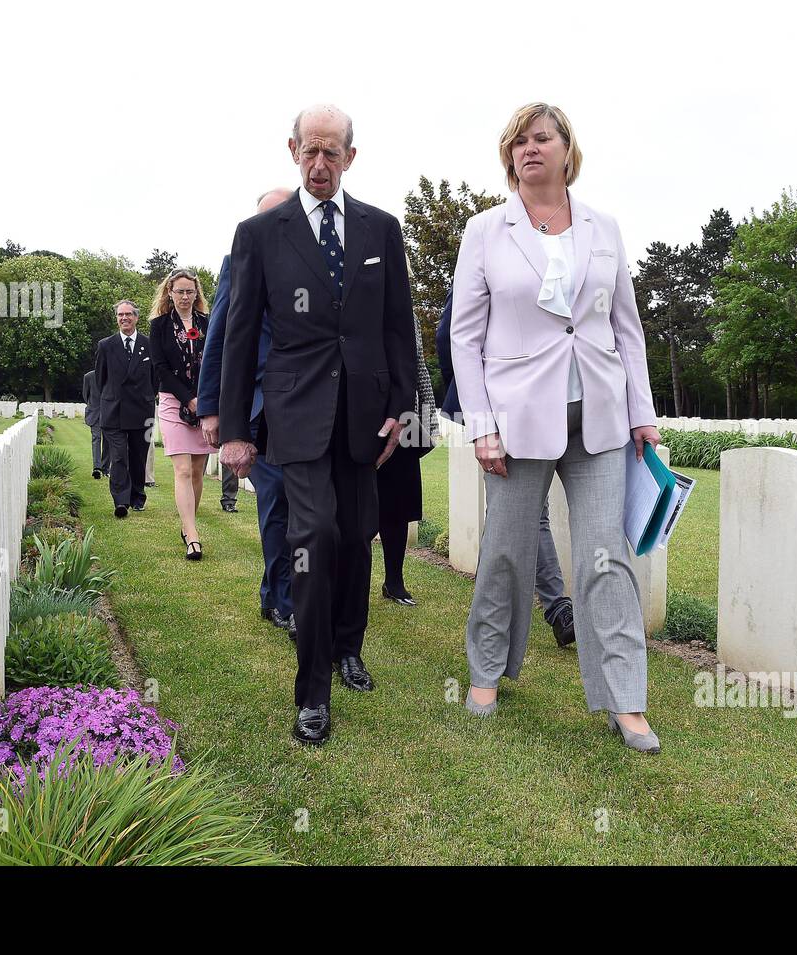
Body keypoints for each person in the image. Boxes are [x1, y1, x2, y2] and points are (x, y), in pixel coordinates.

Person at [450, 102, 662, 753]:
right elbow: (466, 335)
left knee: (607, 556)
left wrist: (643, 412)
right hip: (516, 421)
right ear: (509, 156)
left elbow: (625, 325)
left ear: (568, 149)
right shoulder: (486, 230)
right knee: (507, 551)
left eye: (543, 137)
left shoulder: (605, 228)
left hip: (598, 418)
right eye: (519, 140)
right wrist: (481, 423)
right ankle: (486, 671)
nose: (530, 147)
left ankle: (625, 699)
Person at [219, 105, 417, 746]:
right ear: (293, 150)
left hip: (365, 416)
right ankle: (311, 691)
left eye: (333, 153)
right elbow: (240, 334)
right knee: (314, 535)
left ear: (351, 157)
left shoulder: (380, 230)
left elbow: (395, 328)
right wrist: (233, 430)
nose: (321, 163)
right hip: (295, 415)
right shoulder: (260, 234)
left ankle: (347, 645)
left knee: (358, 535)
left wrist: (402, 411)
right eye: (311, 151)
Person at [436, 286, 576, 646]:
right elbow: (451, 335)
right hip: (496, 408)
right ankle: (547, 607)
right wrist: (473, 398)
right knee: (515, 512)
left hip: (538, 405)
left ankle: (553, 606)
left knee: (528, 512)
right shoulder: (485, 263)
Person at [199, 187, 297, 639]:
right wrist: (214, 407)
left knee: (308, 509)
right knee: (276, 503)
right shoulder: (238, 262)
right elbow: (220, 332)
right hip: (259, 406)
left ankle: (278, 592)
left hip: (309, 406)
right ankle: (282, 599)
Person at [375, 268, 439, 606]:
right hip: (365, 417)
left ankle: (394, 581)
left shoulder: (408, 313)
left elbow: (418, 367)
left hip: (405, 417)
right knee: (358, 506)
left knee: (397, 507)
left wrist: (427, 420)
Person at [149, 268, 212, 561]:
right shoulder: (159, 326)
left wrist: (205, 400)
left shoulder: (208, 323)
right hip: (173, 401)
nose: (185, 296)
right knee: (183, 469)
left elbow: (216, 361)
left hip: (206, 402)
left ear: (196, 293)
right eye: (180, 291)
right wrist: (188, 399)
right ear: (169, 293)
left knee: (198, 470)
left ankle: (188, 526)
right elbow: (160, 368)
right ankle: (193, 537)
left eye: (190, 291)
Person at [94, 299, 156, 518]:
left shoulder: (149, 345)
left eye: (128, 314)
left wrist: (148, 396)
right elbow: (101, 380)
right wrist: (112, 397)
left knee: (139, 457)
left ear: (136, 317)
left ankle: (137, 496)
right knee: (119, 457)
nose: (124, 318)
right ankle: (121, 501)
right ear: (117, 318)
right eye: (120, 315)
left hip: (142, 412)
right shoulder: (106, 346)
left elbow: (155, 378)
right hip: (115, 412)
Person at [82, 368, 107, 479]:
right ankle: (97, 467)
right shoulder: (88, 376)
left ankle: (106, 468)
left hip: (109, 413)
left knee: (108, 442)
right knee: (96, 439)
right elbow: (85, 395)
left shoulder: (112, 374)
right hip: (95, 412)